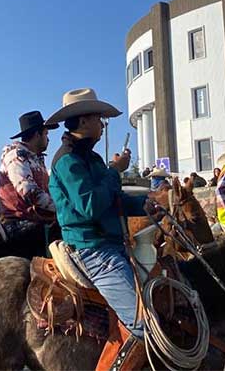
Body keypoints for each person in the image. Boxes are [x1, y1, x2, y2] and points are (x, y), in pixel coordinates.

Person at [47, 89, 157, 371]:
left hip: (109, 245)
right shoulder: (67, 161)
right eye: (99, 119)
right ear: (84, 122)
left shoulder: (91, 159)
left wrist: (148, 204)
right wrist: (115, 171)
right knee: (146, 326)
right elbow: (91, 205)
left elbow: (114, 201)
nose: (103, 125)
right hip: (93, 250)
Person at [0, 110, 59, 239]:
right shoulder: (16, 156)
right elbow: (29, 192)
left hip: (35, 219)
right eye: (46, 134)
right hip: (18, 222)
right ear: (37, 134)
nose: (48, 139)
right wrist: (62, 209)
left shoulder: (34, 159)